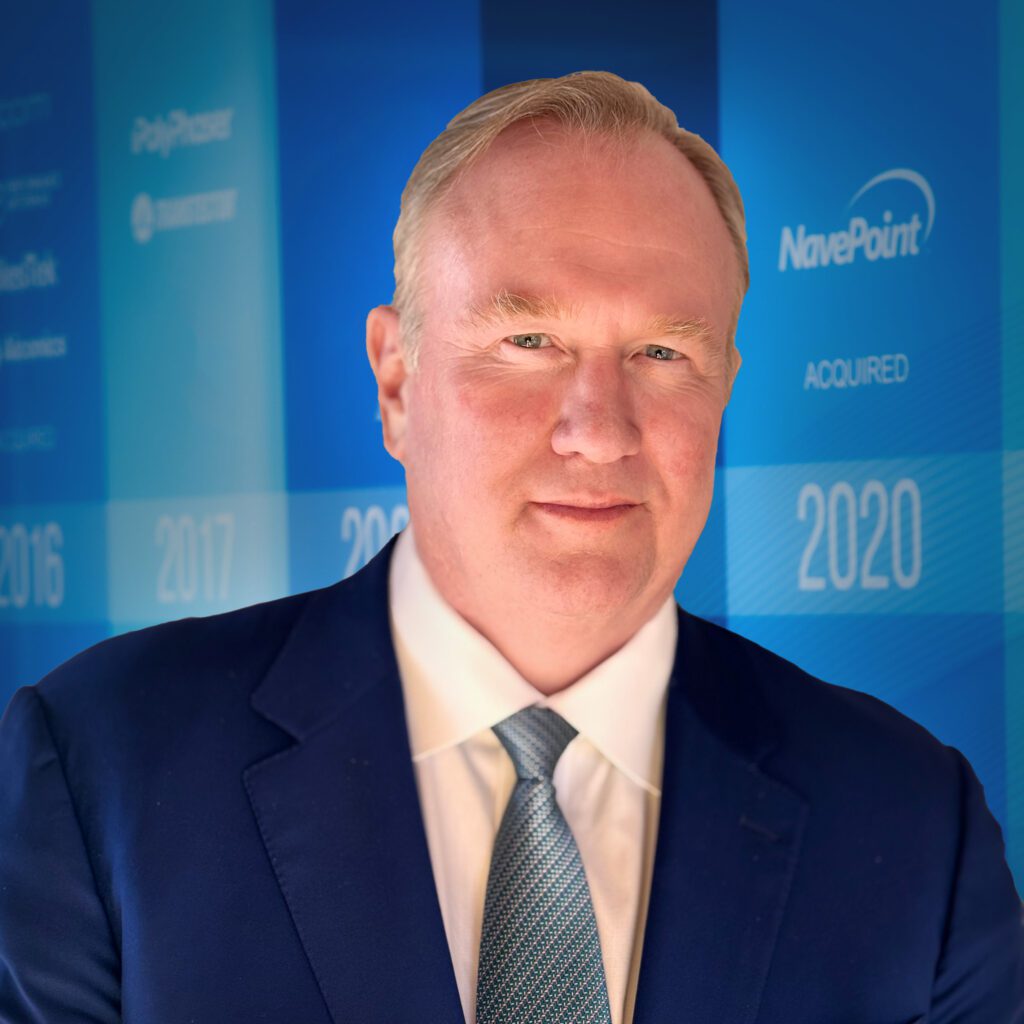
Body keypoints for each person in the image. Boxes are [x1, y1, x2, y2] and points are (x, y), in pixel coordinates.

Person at [0, 71, 1021, 1024]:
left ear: (723, 389)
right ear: (397, 384)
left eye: (663, 352)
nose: (600, 430)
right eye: (528, 342)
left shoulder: (912, 827)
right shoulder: (101, 771)